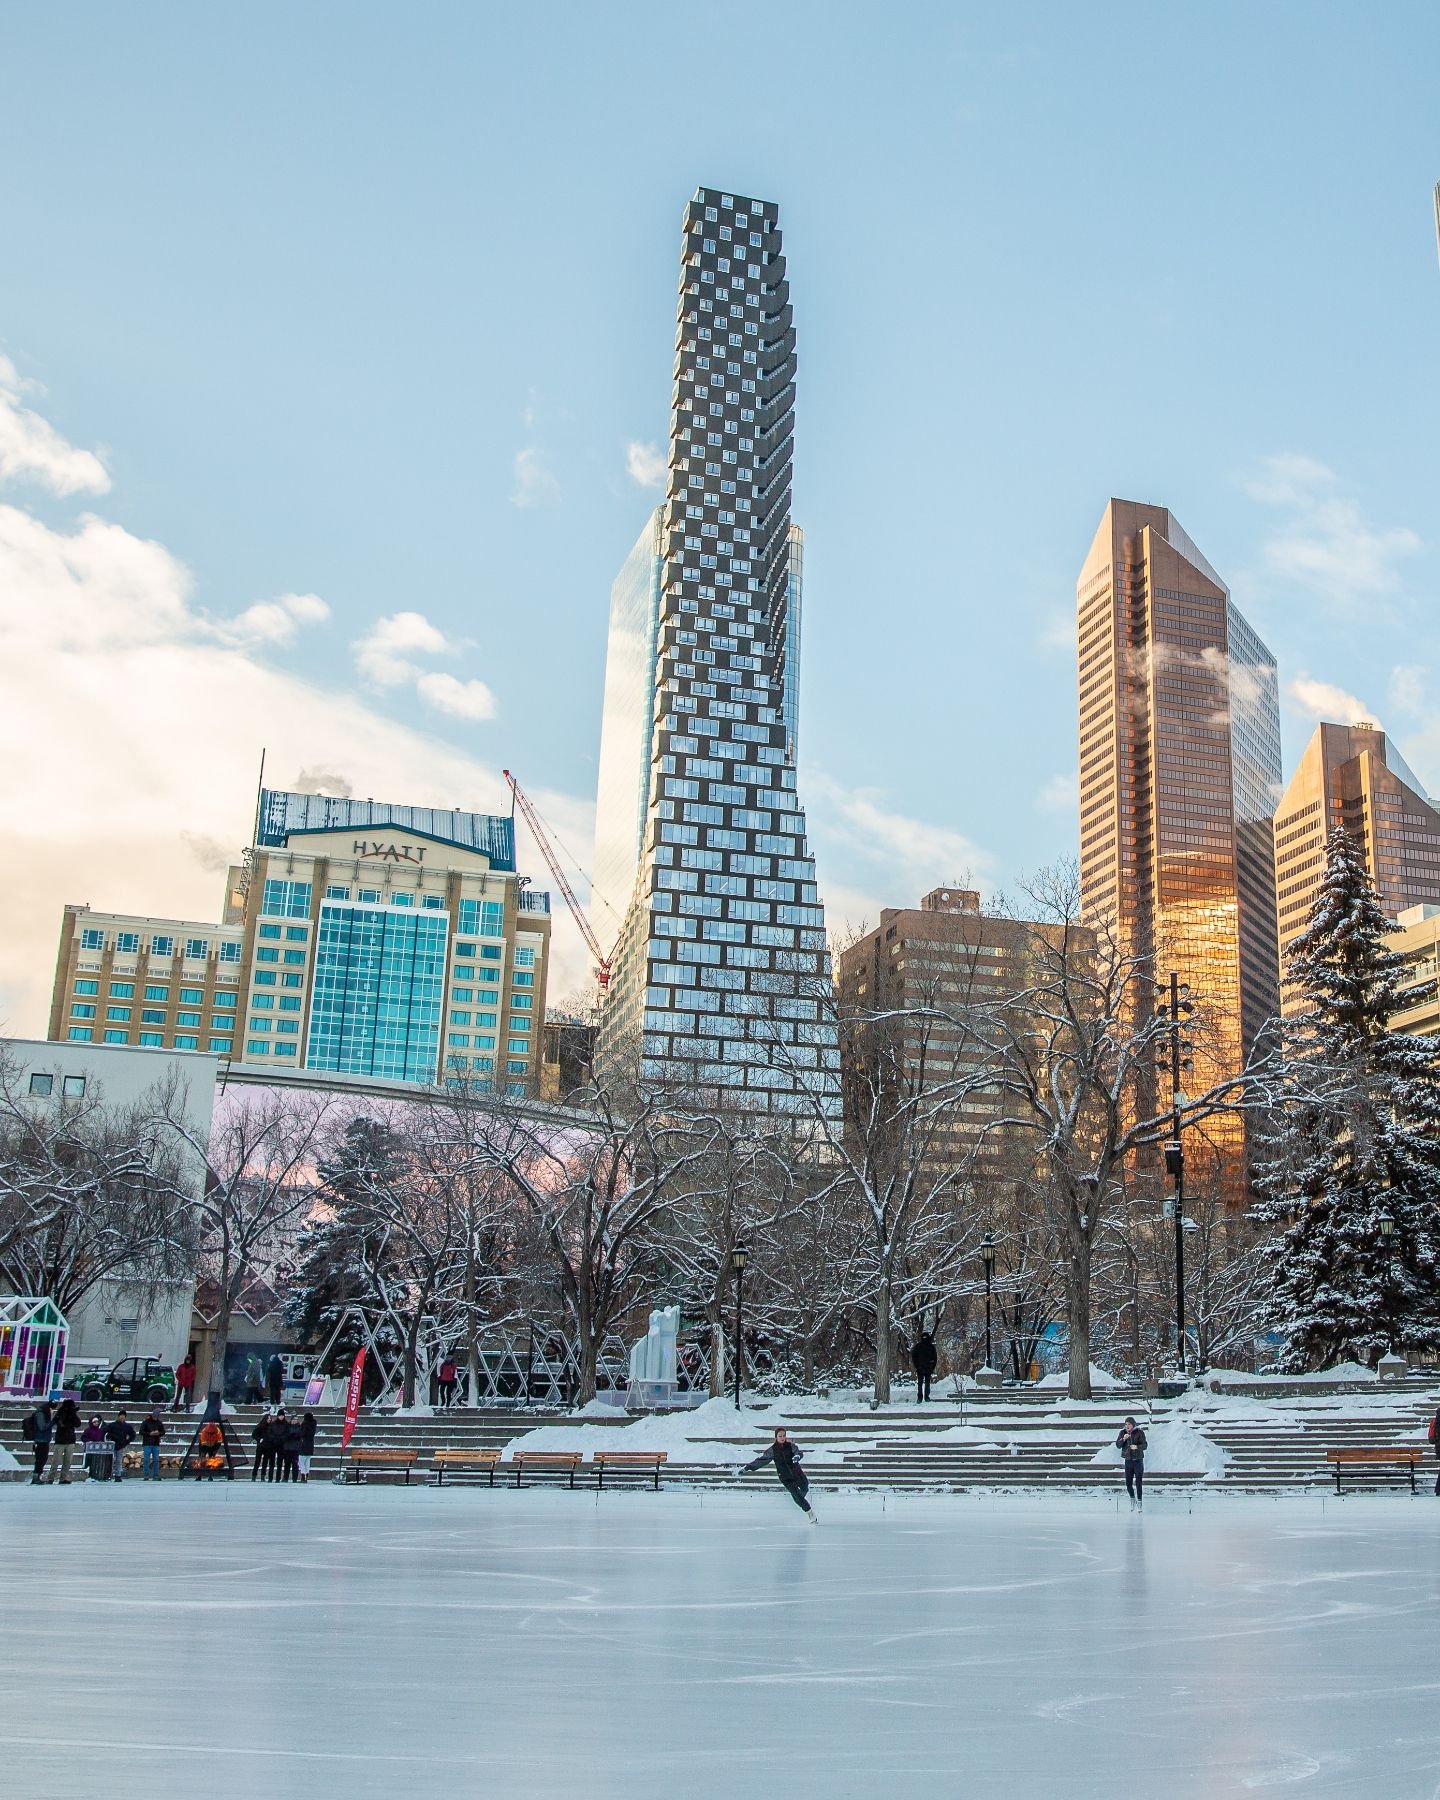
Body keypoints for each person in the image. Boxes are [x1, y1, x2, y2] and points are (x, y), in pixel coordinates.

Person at [743, 1426, 817, 1522]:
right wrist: (747, 1467)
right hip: (785, 1477)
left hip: (797, 1473)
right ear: (776, 1437)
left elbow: (798, 1452)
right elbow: (761, 1460)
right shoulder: (772, 1450)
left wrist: (797, 1456)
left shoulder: (791, 1446)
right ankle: (809, 1512)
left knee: (804, 1488)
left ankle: (799, 1499)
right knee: (796, 1495)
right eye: (780, 1436)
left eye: (784, 1436)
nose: (782, 1438)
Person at [47, 1397, 81, 1484]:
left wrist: (73, 1414)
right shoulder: (61, 1412)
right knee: (57, 1461)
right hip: (62, 1440)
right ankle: (51, 1478)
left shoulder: (71, 1413)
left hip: (68, 1440)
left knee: (67, 1462)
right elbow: (57, 1422)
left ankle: (61, 1478)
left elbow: (78, 1424)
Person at [1116, 1417, 1147, 1508]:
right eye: (1126, 1424)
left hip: (1138, 1460)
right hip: (1128, 1460)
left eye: (1129, 1424)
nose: (1127, 1426)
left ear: (1133, 1425)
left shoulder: (1139, 1432)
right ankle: (1132, 1498)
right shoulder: (1122, 1433)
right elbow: (1118, 1445)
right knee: (1128, 1483)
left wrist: (1137, 1447)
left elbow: (1145, 1445)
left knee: (1138, 1482)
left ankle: (1139, 1501)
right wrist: (1123, 1439)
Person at [23, 1400, 53, 1484]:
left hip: (44, 1439)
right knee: (40, 1459)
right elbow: (42, 1427)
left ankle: (37, 1476)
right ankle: (36, 1477)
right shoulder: (40, 1414)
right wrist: (52, 1422)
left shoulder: (43, 1413)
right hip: (40, 1440)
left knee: (43, 1458)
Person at [105, 1409, 136, 1482]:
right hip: (111, 1445)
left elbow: (133, 1435)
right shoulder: (112, 1425)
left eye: (123, 1416)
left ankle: (118, 1475)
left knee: (118, 1461)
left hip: (120, 1445)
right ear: (118, 1416)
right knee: (110, 1461)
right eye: (121, 1416)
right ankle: (108, 1474)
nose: (122, 1417)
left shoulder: (127, 1426)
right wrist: (109, 1438)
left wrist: (127, 1442)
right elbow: (106, 1432)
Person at [911, 1331, 938, 1403]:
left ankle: (926, 1397)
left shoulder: (931, 1347)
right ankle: (920, 1397)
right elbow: (914, 1357)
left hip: (928, 1368)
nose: (924, 1339)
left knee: (927, 1383)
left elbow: (935, 1358)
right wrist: (917, 1366)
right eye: (923, 1337)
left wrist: (932, 1367)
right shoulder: (918, 1346)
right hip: (920, 1368)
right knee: (920, 1383)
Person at [139, 1410, 166, 1481]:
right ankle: (146, 1475)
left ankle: (155, 1475)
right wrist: (149, 1434)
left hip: (156, 1443)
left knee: (156, 1460)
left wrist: (158, 1433)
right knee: (146, 1460)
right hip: (147, 1443)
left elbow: (163, 1432)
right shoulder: (146, 1422)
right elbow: (141, 1431)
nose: (155, 1418)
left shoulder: (159, 1423)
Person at [82, 1414, 110, 1481]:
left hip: (97, 1450)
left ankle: (96, 1475)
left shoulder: (100, 1431)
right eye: (95, 1422)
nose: (96, 1423)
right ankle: (90, 1475)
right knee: (90, 1463)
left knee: (96, 1463)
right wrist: (89, 1441)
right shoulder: (87, 1430)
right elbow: (83, 1438)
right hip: (90, 1450)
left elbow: (102, 1439)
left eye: (97, 1422)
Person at [251, 1409, 274, 1482]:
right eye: (268, 1418)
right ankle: (254, 1475)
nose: (269, 1420)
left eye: (270, 1418)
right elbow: (254, 1434)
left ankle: (263, 1476)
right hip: (261, 1446)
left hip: (268, 1446)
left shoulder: (271, 1427)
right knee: (257, 1461)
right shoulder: (260, 1426)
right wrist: (259, 1439)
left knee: (265, 1462)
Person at [297, 1410, 317, 1482]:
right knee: (307, 1461)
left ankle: (303, 1476)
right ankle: (307, 1475)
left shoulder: (305, 1424)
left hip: (304, 1444)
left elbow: (302, 1433)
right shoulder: (313, 1425)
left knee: (301, 1461)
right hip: (310, 1445)